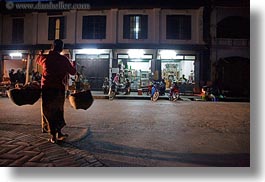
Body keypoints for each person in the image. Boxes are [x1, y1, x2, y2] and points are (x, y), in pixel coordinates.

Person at [36, 39, 76, 144]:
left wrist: (41, 53)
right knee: (58, 110)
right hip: (58, 89)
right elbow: (73, 72)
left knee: (48, 111)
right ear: (61, 48)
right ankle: (56, 134)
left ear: (52, 47)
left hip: (47, 88)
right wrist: (72, 63)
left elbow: (38, 59)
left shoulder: (45, 58)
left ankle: (55, 134)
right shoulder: (63, 60)